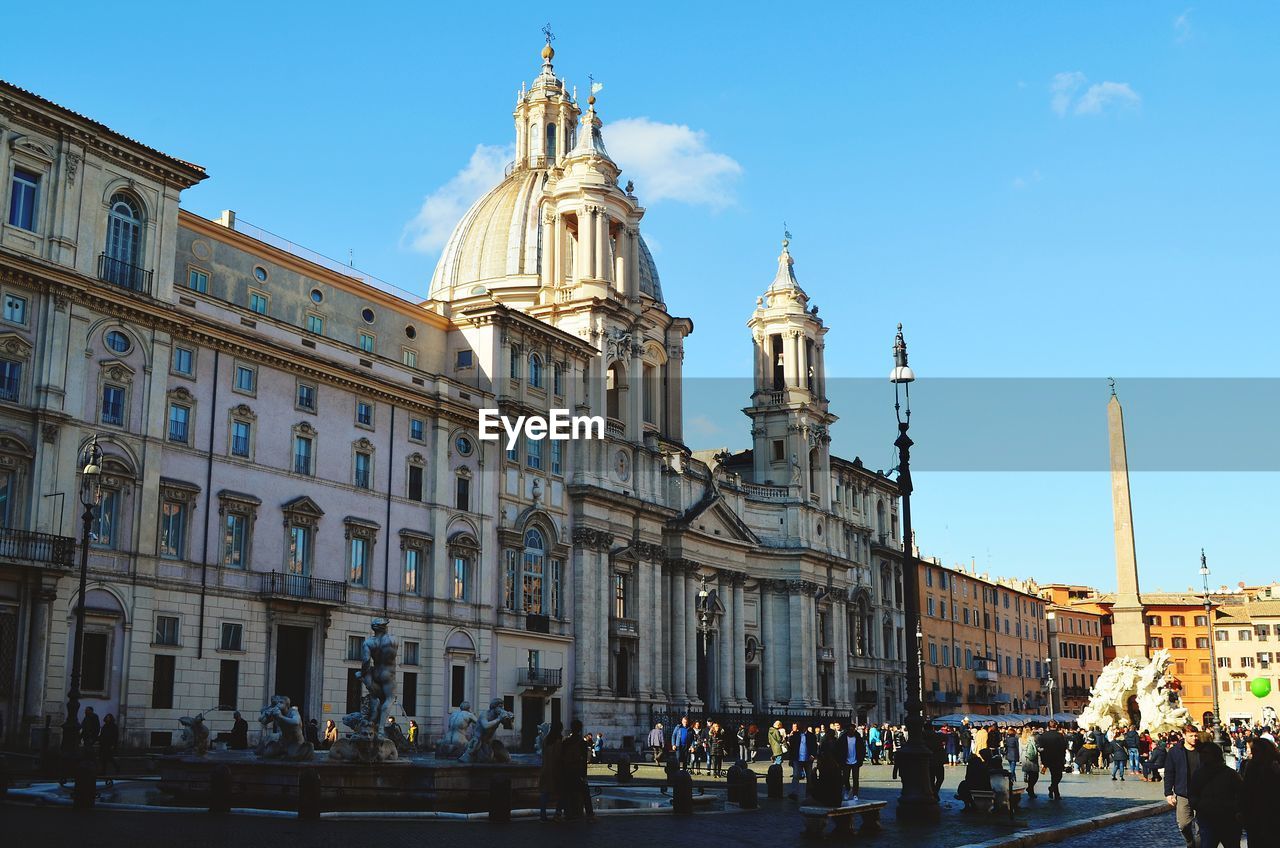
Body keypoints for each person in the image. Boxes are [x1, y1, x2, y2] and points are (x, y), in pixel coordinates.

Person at [1190, 741, 1242, 848]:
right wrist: (1198, 804)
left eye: (1206, 753)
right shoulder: (1198, 774)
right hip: (1207, 817)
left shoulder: (1230, 774)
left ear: (1215, 755)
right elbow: (1192, 792)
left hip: (1228, 818)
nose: (1203, 756)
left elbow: (1241, 793)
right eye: (1202, 753)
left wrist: (1235, 808)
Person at [1165, 724, 1205, 848]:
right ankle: (1189, 841)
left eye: (1195, 735)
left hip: (1202, 793)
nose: (1194, 738)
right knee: (1183, 824)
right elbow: (1169, 772)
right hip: (1183, 793)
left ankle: (1198, 846)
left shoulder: (1203, 750)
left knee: (1202, 825)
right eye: (1191, 736)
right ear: (1184, 735)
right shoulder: (1175, 751)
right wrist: (1168, 793)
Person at [1242, 736, 1280, 846]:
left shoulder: (1275, 763)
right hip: (1256, 813)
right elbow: (1246, 789)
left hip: (1273, 813)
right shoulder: (1251, 766)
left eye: (1257, 751)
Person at [559, 719, 593, 820]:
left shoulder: (566, 741)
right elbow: (583, 761)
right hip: (578, 772)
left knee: (565, 793)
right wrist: (584, 775)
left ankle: (560, 813)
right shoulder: (582, 742)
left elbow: (562, 757)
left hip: (567, 771)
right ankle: (590, 815)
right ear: (580, 729)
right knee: (586, 794)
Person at [1037, 720, 1068, 800]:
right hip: (1058, 758)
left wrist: (1043, 759)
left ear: (1048, 726)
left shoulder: (1043, 736)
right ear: (1056, 726)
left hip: (1047, 759)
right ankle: (1053, 790)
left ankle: (1054, 791)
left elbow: (1040, 748)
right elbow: (1064, 747)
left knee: (1053, 776)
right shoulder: (1060, 736)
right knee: (1058, 776)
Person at [538, 721, 563, 821]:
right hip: (556, 770)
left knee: (545, 793)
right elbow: (558, 756)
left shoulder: (546, 740)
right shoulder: (558, 741)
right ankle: (557, 813)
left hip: (545, 769)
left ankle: (542, 815)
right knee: (562, 793)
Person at [957, 746, 994, 811]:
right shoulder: (986, 763)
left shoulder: (972, 765)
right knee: (964, 785)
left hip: (980, 785)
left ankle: (969, 804)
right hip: (988, 784)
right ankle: (971, 804)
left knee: (964, 786)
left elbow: (968, 777)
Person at [788, 722, 816, 798]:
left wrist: (813, 755)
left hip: (808, 759)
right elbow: (792, 748)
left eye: (801, 726)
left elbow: (814, 746)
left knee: (809, 776)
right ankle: (794, 792)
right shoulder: (795, 735)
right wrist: (791, 758)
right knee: (796, 775)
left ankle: (809, 793)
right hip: (797, 758)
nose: (799, 728)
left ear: (805, 727)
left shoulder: (811, 736)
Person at [98, 713, 120, 785]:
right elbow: (102, 734)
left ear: (111, 718)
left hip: (109, 744)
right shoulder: (104, 726)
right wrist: (100, 740)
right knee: (105, 758)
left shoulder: (114, 726)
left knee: (108, 758)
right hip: (104, 744)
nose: (107, 718)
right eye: (106, 717)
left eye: (108, 717)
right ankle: (104, 771)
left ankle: (116, 767)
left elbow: (115, 736)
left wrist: (113, 745)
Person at [1020, 726, 1040, 797]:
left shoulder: (1020, 739)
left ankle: (1030, 789)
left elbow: (1020, 750)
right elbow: (1035, 748)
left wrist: (1020, 760)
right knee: (1035, 775)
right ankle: (1030, 789)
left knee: (1029, 774)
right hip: (1031, 757)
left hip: (1024, 758)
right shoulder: (1031, 738)